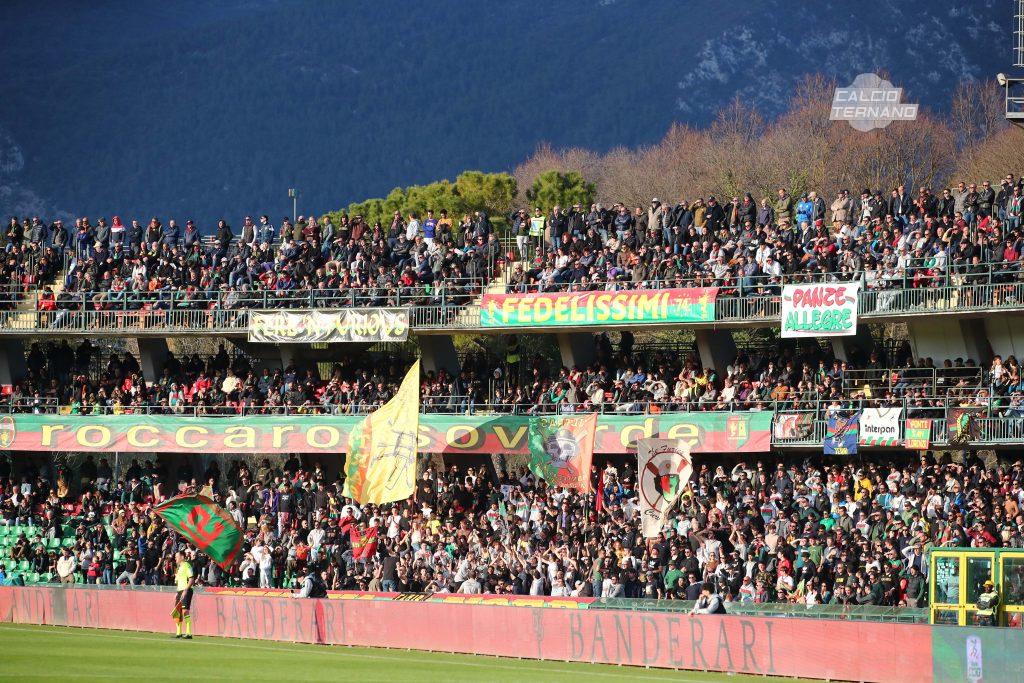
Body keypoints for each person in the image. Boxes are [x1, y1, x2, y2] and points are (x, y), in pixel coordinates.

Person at [172, 550, 195, 639]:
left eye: (176, 557)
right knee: (177, 612)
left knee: (185, 611)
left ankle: (188, 633)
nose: (175, 558)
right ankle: (179, 633)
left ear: (182, 557)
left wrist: (186, 590)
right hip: (179, 591)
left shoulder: (187, 565)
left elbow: (191, 579)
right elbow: (179, 582)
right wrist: (177, 592)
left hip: (186, 590)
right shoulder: (179, 567)